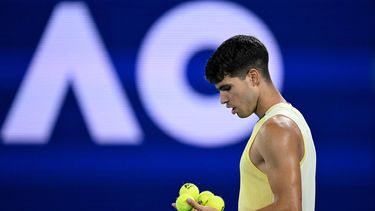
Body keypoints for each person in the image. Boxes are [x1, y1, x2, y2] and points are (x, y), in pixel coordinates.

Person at [172, 35, 316, 211]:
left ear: (253, 77)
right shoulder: (285, 121)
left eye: (227, 88)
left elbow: (290, 208)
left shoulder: (276, 127)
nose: (222, 100)